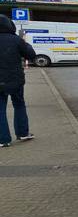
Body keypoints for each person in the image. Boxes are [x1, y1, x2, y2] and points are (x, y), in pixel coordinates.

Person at [0, 14, 37, 147]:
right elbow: (31, 55)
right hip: (15, 80)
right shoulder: (16, 40)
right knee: (19, 105)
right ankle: (22, 133)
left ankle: (3, 140)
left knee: (0, 110)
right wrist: (26, 44)